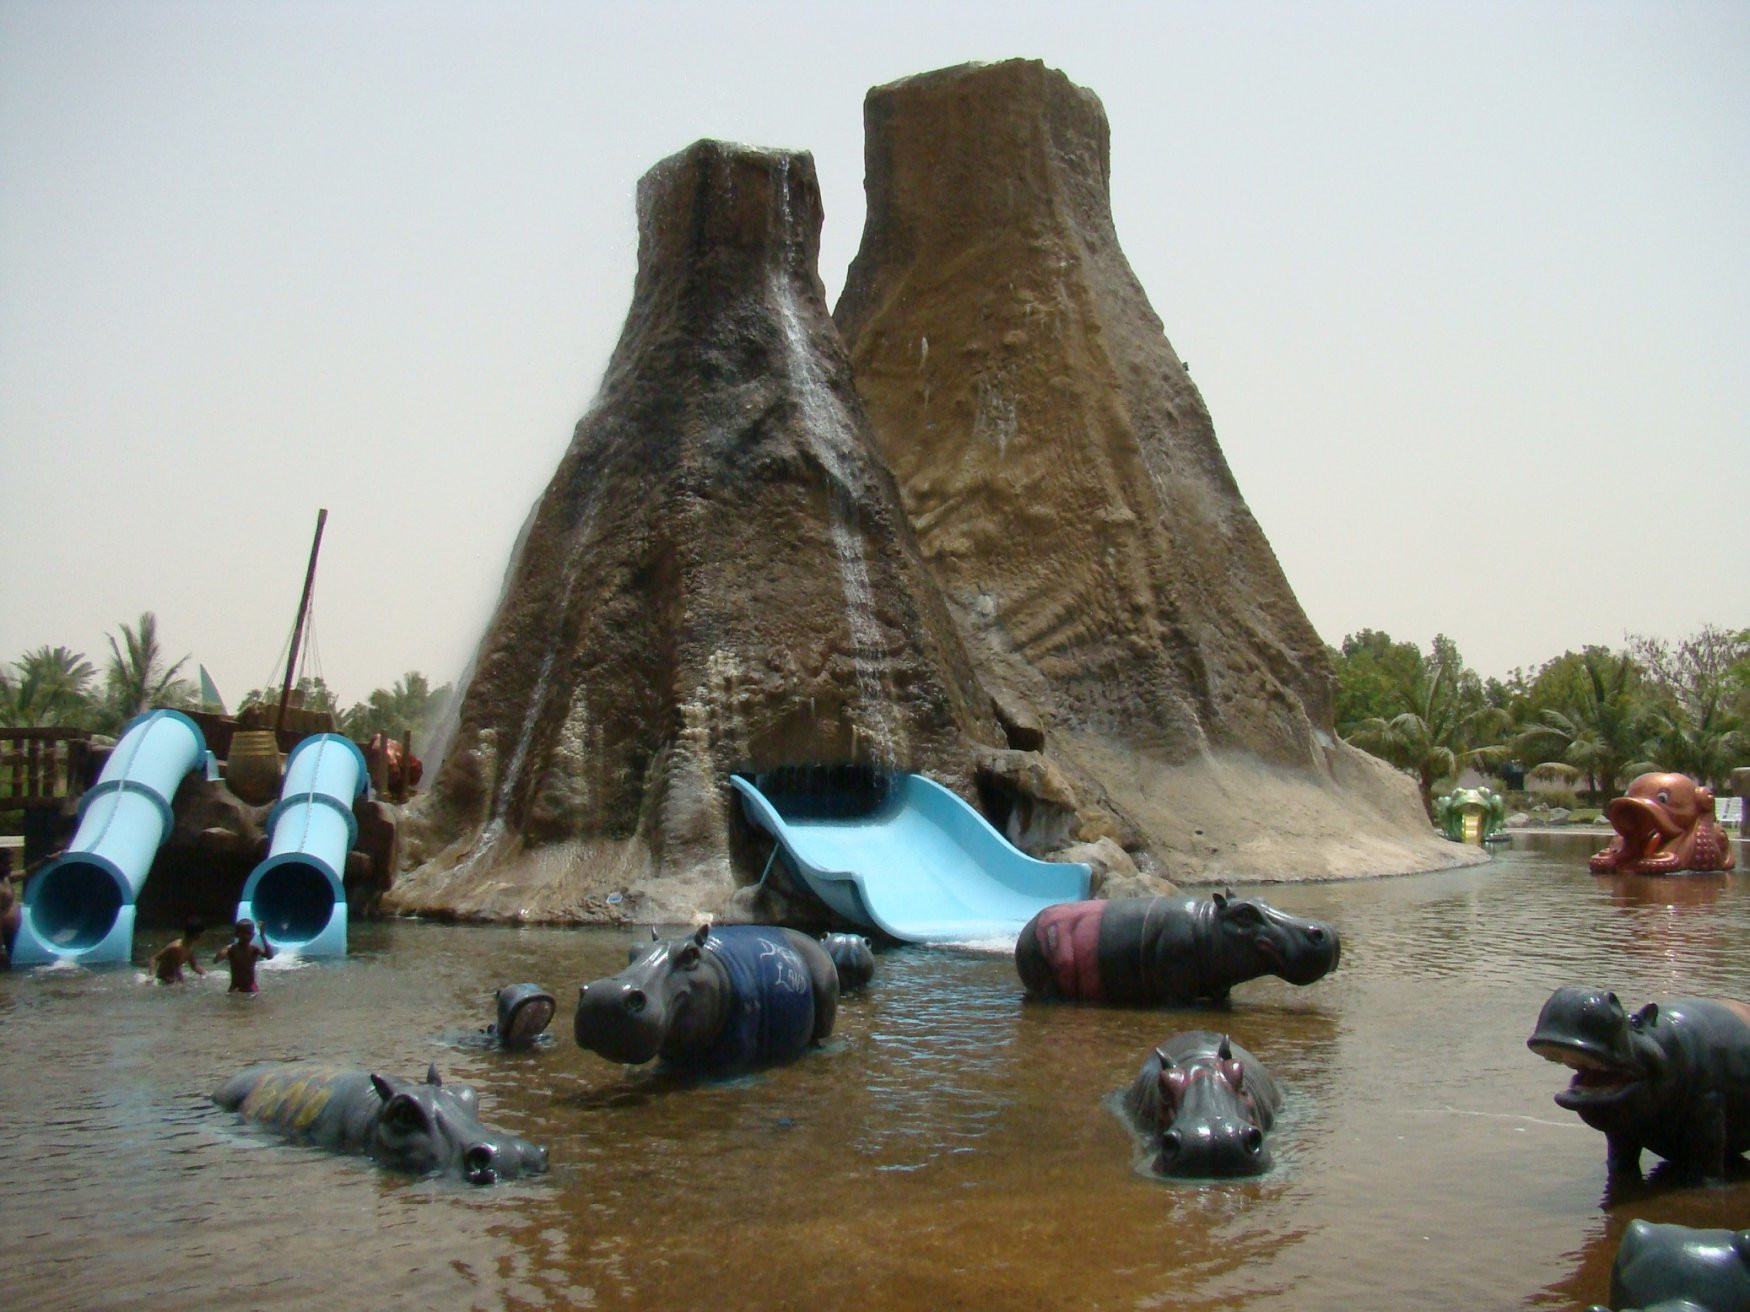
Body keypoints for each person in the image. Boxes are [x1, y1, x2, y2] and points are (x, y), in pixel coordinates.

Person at [214, 918, 274, 993]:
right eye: (244, 934)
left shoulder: (254, 949)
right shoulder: (232, 949)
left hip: (251, 987)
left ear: (253, 934)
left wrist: (262, 936)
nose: (247, 936)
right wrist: (224, 951)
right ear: (236, 934)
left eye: (249, 933)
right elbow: (215, 960)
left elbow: (270, 956)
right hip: (235, 987)